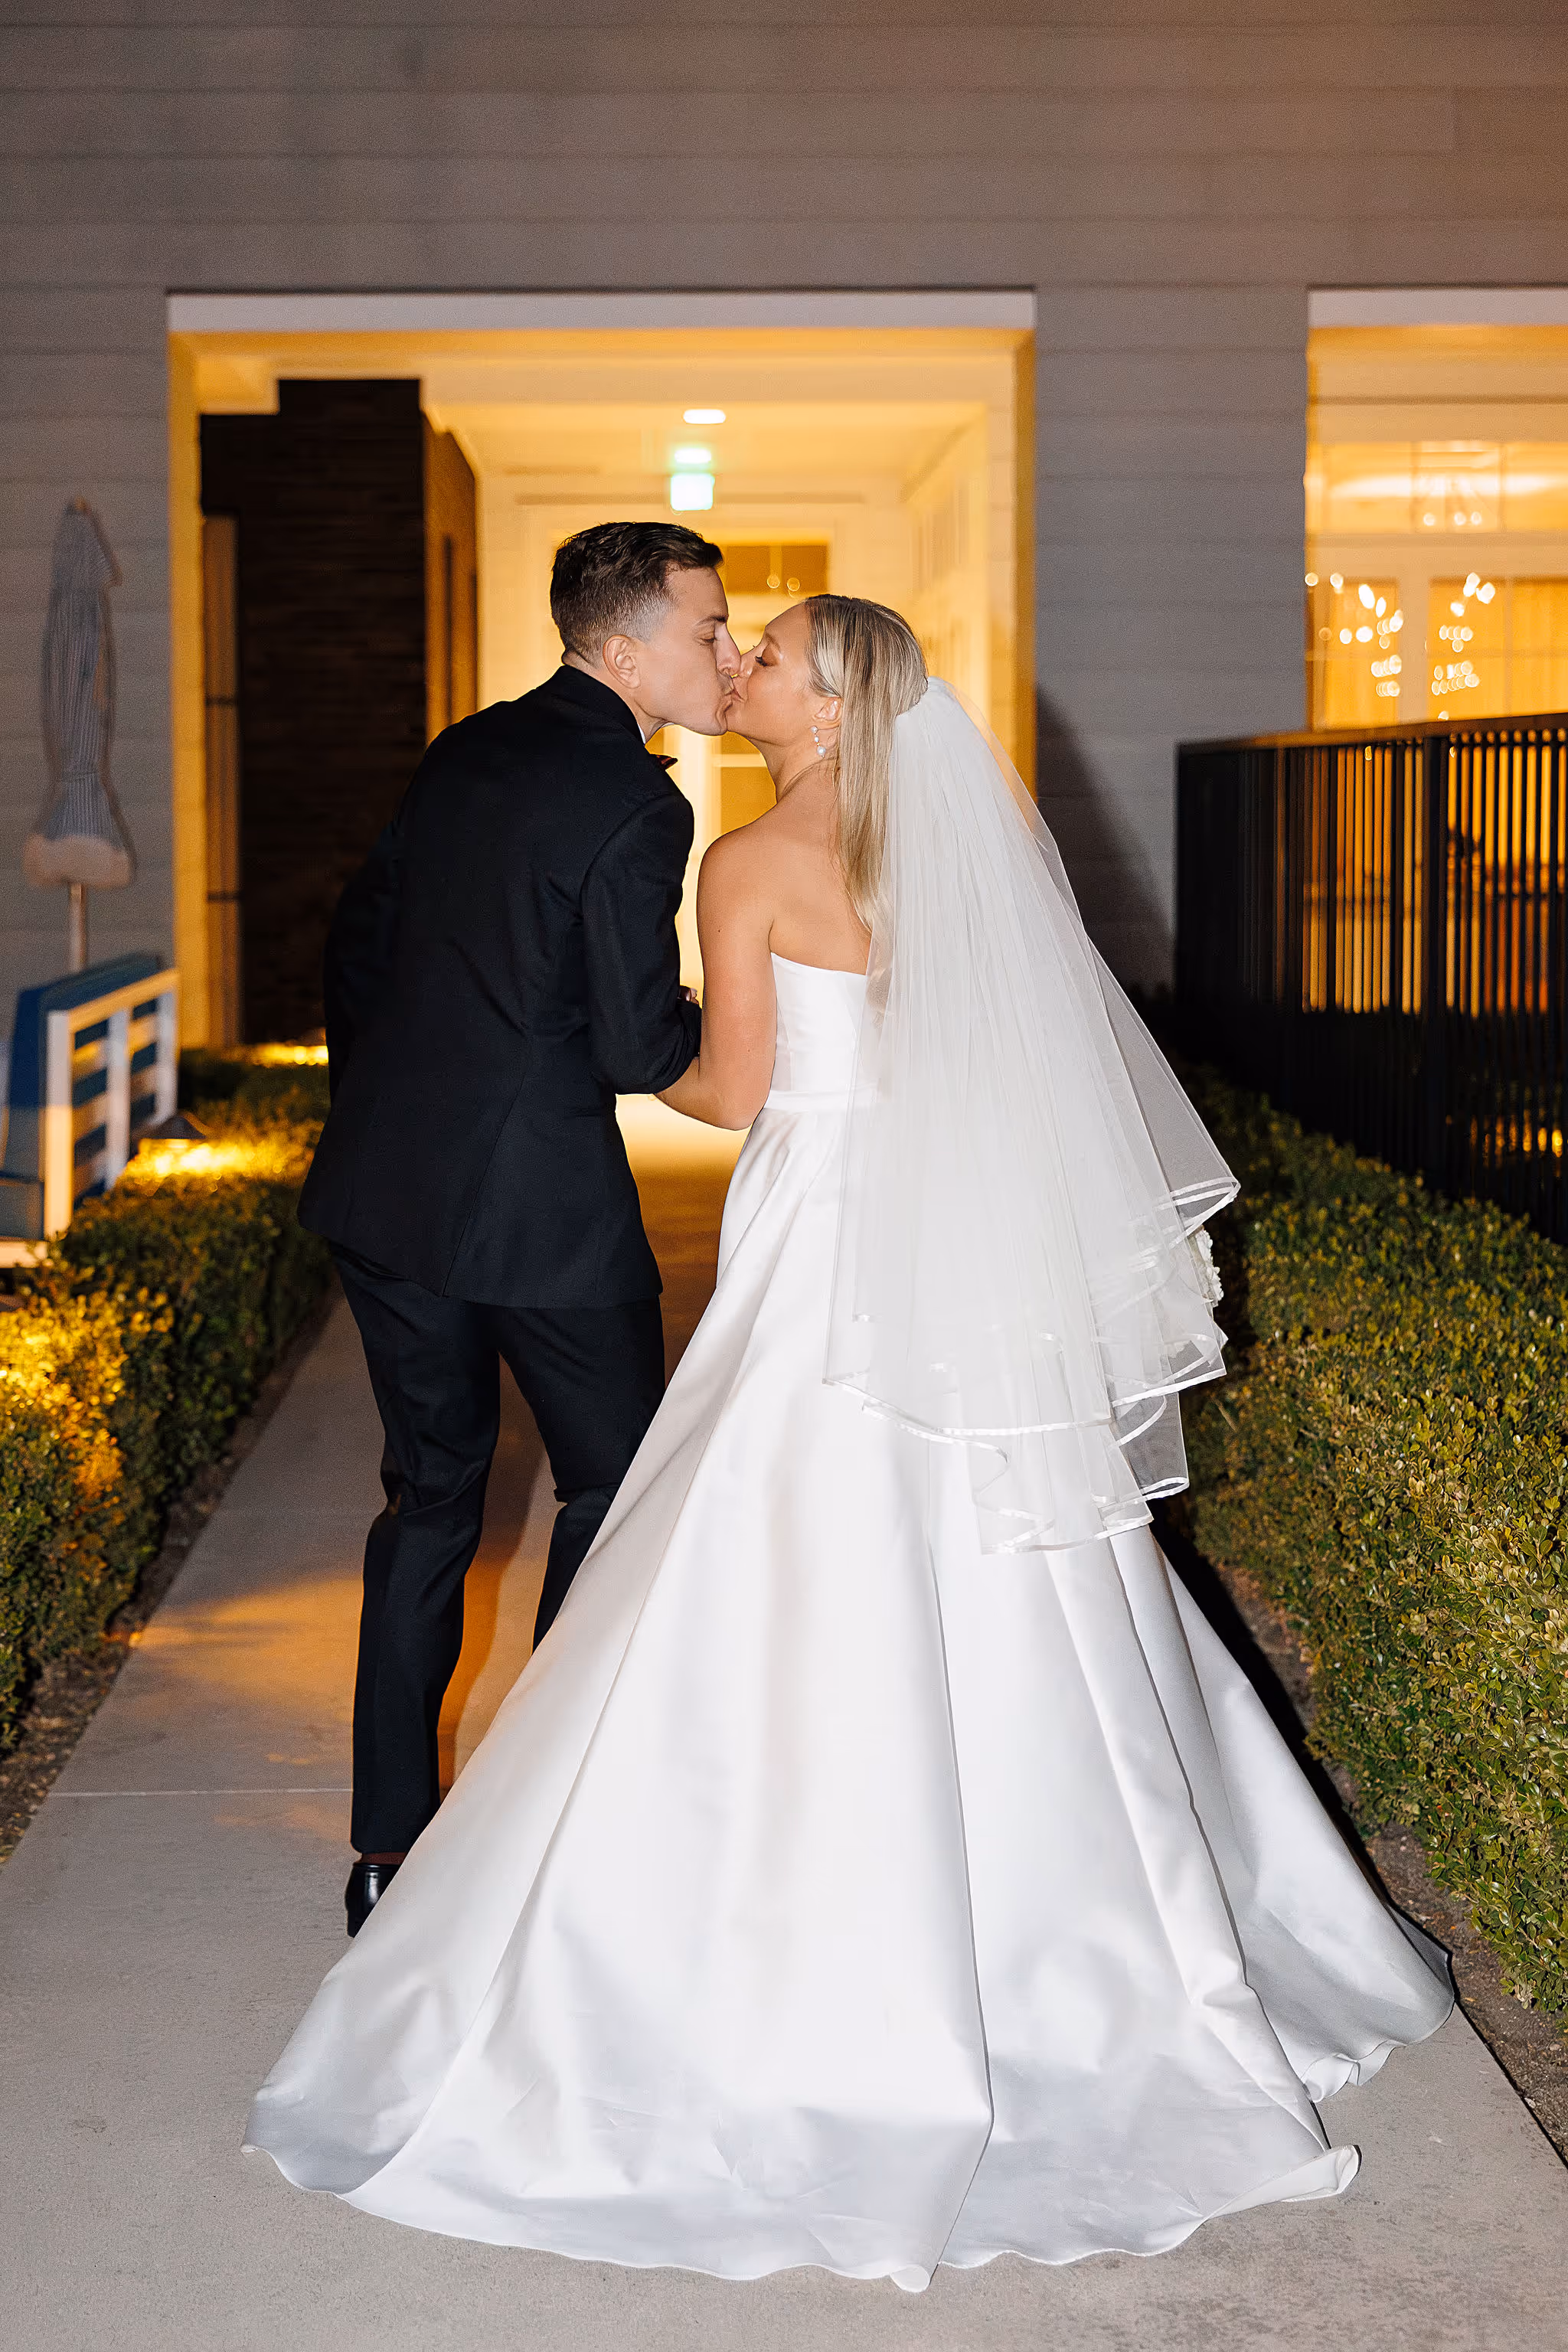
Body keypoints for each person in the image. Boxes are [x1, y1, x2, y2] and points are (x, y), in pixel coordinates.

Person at [249, 595, 1452, 2285]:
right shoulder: (959, 842)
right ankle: (1113, 1931)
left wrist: (567, 1036)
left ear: (822, 702)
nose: (734, 665)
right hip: (951, 1237)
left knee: (776, 1529)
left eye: (765, 655)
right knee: (1004, 1544)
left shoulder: (747, 860)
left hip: (825, 1234)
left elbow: (736, 1096)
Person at [296, 521, 738, 1937]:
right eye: (706, 630)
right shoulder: (640, 805)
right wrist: (741, 1041)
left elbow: (356, 943)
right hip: (542, 1214)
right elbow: (627, 1039)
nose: (723, 651)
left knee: (428, 1498)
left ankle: (385, 1854)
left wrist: (391, 1097)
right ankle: (539, 1827)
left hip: (385, 1189)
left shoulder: (466, 747)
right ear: (623, 650)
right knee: (616, 1492)